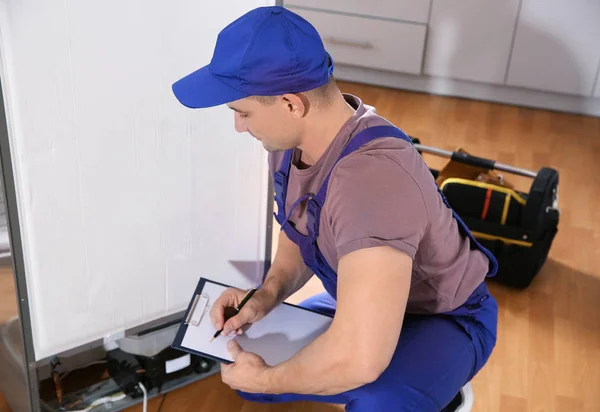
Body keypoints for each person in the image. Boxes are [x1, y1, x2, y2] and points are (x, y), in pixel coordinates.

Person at [171, 5, 499, 411]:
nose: (239, 126)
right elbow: (299, 230)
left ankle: (435, 388)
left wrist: (271, 377)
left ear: (291, 103)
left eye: (242, 112)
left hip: (446, 317)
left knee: (376, 398)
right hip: (361, 299)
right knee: (250, 365)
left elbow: (359, 359)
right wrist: (266, 295)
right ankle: (409, 376)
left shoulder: (371, 181)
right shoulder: (292, 144)